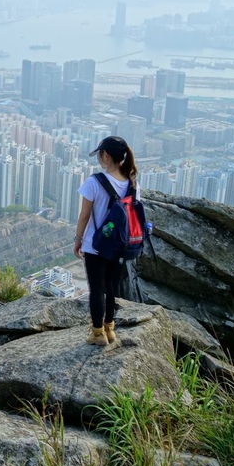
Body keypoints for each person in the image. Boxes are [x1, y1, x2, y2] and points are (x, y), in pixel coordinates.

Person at [74, 135, 138, 347]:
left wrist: (78, 239)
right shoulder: (131, 183)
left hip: (96, 245)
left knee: (97, 289)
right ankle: (110, 329)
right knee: (111, 287)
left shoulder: (94, 182)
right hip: (120, 245)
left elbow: (84, 215)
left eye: (100, 154)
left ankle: (97, 333)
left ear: (106, 155)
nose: (99, 158)